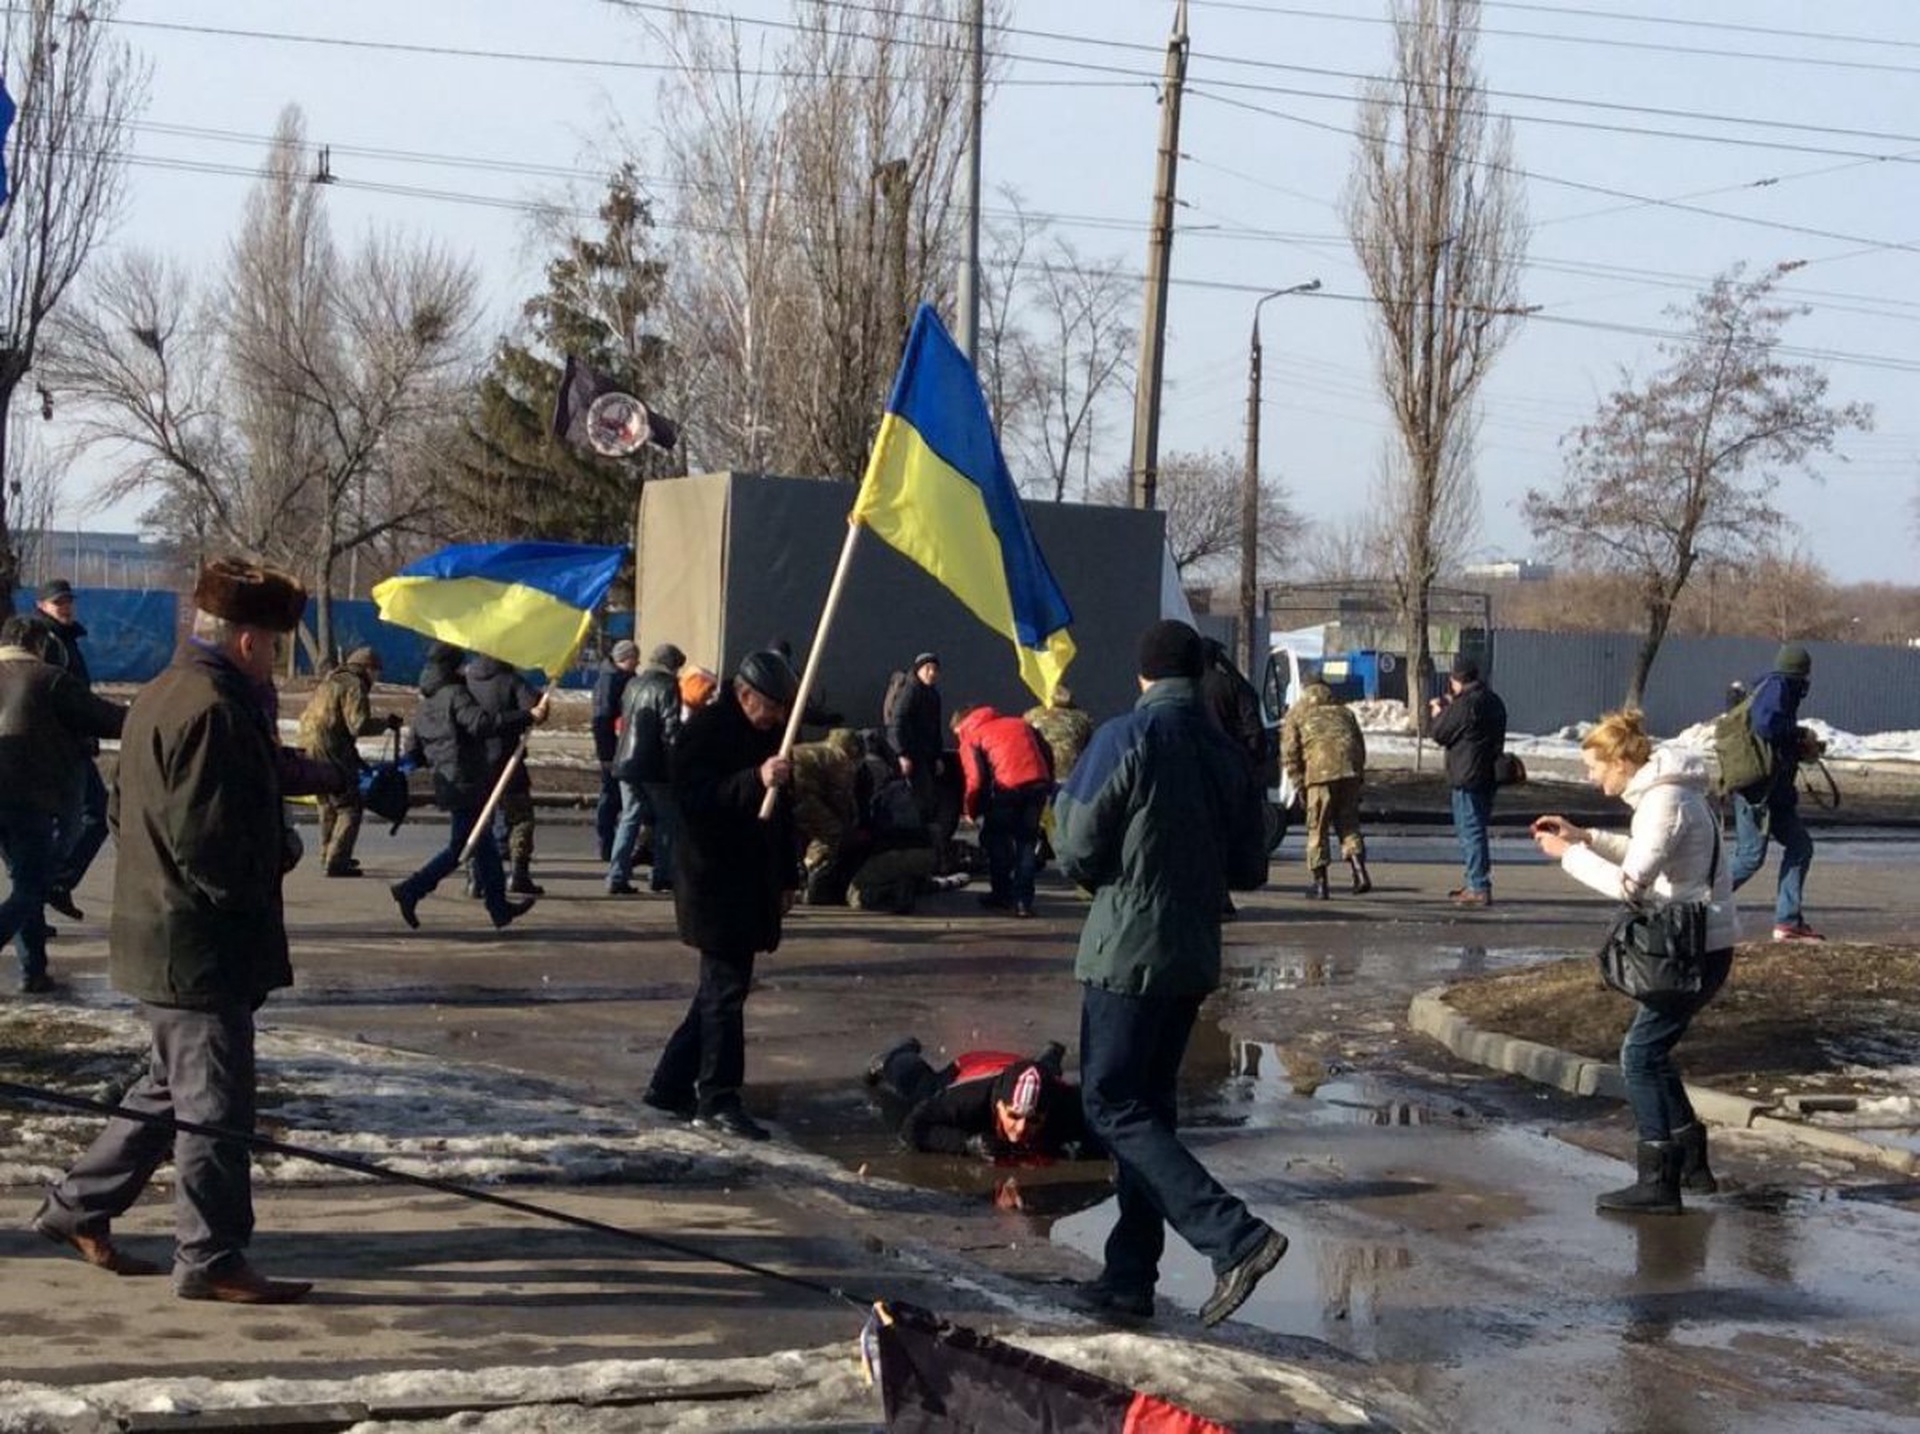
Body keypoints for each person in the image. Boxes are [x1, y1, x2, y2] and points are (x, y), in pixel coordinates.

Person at [32, 558, 341, 1303]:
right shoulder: (212, 710)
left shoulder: (167, 695)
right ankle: (211, 1257)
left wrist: (327, 779)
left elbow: (120, 812)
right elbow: (214, 849)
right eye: (271, 644)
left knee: (171, 1091)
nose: (274, 658)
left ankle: (78, 1206)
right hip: (199, 946)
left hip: (161, 930)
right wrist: (283, 849)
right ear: (243, 641)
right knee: (215, 1109)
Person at [1053, 618, 1287, 1328]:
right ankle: (1129, 1278)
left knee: (1110, 1105)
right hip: (1192, 953)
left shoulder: (1127, 736)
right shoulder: (1226, 751)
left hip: (1127, 948)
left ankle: (1234, 1236)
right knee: (1147, 1112)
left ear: (1143, 674)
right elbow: (1250, 863)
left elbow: (1078, 846)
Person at [1531, 709, 1735, 1215]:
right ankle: (1691, 1164)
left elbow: (1632, 886)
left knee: (1638, 1056)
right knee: (1654, 1052)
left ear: (1621, 761)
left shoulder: (1664, 801)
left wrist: (1568, 857)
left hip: (1690, 951)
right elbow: (1649, 853)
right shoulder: (1673, 793)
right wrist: (1586, 837)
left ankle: (1657, 1181)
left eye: (1593, 766)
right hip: (1704, 945)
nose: (1590, 776)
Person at [642, 651, 799, 1142]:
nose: (776, 715)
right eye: (770, 706)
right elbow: (694, 802)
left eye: (781, 707)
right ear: (744, 694)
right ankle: (718, 1098)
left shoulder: (773, 735)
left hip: (752, 882)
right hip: (714, 882)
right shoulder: (706, 730)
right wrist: (754, 780)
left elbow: (783, 816)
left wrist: (788, 877)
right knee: (725, 994)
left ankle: (669, 1086)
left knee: (717, 993)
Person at [0, 615, 125, 993]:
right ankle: (30, 967)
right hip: (29, 799)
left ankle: (34, 970)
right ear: (40, 645)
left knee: (27, 886)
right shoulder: (49, 680)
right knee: (32, 884)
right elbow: (107, 719)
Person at [389, 643, 548, 930]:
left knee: (482, 845)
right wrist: (527, 716)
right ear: (452, 668)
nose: (465, 670)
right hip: (467, 780)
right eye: (460, 665)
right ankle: (411, 889)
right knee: (462, 847)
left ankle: (499, 908)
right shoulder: (455, 694)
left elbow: (415, 751)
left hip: (448, 781)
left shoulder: (428, 702)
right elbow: (481, 724)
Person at [24, 578, 109, 922]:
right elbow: (56, 696)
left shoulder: (64, 638)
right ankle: (52, 885)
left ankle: (42, 897)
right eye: (58, 602)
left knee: (74, 820)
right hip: (62, 745)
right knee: (89, 816)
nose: (66, 606)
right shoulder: (49, 641)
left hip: (71, 742)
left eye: (68, 601)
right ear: (42, 606)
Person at [865, 1037, 1099, 1161]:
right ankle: (894, 1058)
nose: (1020, 1129)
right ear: (999, 1106)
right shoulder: (970, 1099)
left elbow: (1105, 1122)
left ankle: (1047, 1062)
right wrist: (967, 1144)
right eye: (1013, 1116)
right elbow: (913, 1128)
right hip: (974, 1068)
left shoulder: (1065, 1103)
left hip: (1026, 1072)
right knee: (922, 1090)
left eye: (1033, 1120)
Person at [1730, 644, 1821, 942]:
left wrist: (1796, 743)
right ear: (1801, 672)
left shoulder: (1770, 686)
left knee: (1800, 847)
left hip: (1774, 791)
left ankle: (1788, 922)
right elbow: (1767, 726)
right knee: (1750, 856)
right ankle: (1692, 900)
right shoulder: (1779, 687)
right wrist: (1796, 734)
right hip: (1759, 791)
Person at [296, 646, 399, 878]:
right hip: (331, 749)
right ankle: (338, 859)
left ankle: (327, 853)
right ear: (367, 668)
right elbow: (358, 725)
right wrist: (386, 724)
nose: (377, 678)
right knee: (349, 806)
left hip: (308, 745)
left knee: (326, 802)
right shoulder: (355, 685)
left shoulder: (330, 681)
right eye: (377, 672)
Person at [953, 704, 1053, 918]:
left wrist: (970, 809)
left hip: (1006, 790)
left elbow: (976, 779)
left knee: (996, 840)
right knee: (1026, 843)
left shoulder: (972, 737)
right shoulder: (1020, 723)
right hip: (1037, 786)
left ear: (962, 725)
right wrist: (1047, 782)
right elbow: (1046, 752)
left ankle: (1002, 894)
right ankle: (1023, 902)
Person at [1428, 653, 1507, 908]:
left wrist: (1440, 712)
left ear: (1455, 680)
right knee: (1478, 828)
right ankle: (1475, 881)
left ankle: (1478, 885)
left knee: (1470, 831)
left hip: (1467, 774)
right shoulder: (1493, 700)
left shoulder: (1464, 705)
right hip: (1489, 772)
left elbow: (1440, 733)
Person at [608, 643, 687, 895]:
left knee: (629, 817)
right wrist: (677, 760)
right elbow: (670, 728)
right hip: (653, 764)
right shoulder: (667, 686)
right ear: (672, 666)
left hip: (625, 761)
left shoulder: (633, 683)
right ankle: (660, 874)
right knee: (667, 819)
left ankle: (616, 875)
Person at [1280, 677, 1370, 899]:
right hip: (1349, 772)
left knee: (1317, 828)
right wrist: (1357, 776)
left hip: (1319, 775)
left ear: (1304, 690)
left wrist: (1299, 783)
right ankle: (1360, 873)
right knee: (1348, 823)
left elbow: (1290, 752)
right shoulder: (1343, 711)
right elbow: (1359, 745)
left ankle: (1321, 885)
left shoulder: (1297, 713)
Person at [465, 654, 544, 896]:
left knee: (480, 820)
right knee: (520, 818)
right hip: (508, 760)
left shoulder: (467, 681)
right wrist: (540, 704)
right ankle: (518, 873)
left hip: (475, 760)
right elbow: (534, 710)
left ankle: (474, 877)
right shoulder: (512, 681)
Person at [885, 652, 946, 853]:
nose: (932, 673)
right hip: (912, 756)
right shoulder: (911, 692)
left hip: (926, 756)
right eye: (927, 669)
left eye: (935, 669)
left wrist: (938, 756)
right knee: (918, 801)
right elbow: (897, 724)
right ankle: (916, 847)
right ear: (918, 670)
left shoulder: (933, 694)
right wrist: (901, 754)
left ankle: (925, 847)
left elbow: (935, 729)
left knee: (928, 801)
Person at [591, 640, 641, 861]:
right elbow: (602, 721)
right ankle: (607, 843)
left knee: (617, 797)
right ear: (625, 658)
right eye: (635, 657)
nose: (638, 662)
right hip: (613, 750)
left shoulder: (625, 678)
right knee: (610, 797)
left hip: (622, 747)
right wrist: (606, 754)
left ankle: (612, 844)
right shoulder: (610, 681)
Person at [1023, 684, 1094, 786]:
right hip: (1072, 776)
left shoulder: (1032, 715)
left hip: (1043, 775)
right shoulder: (1083, 717)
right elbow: (1089, 748)